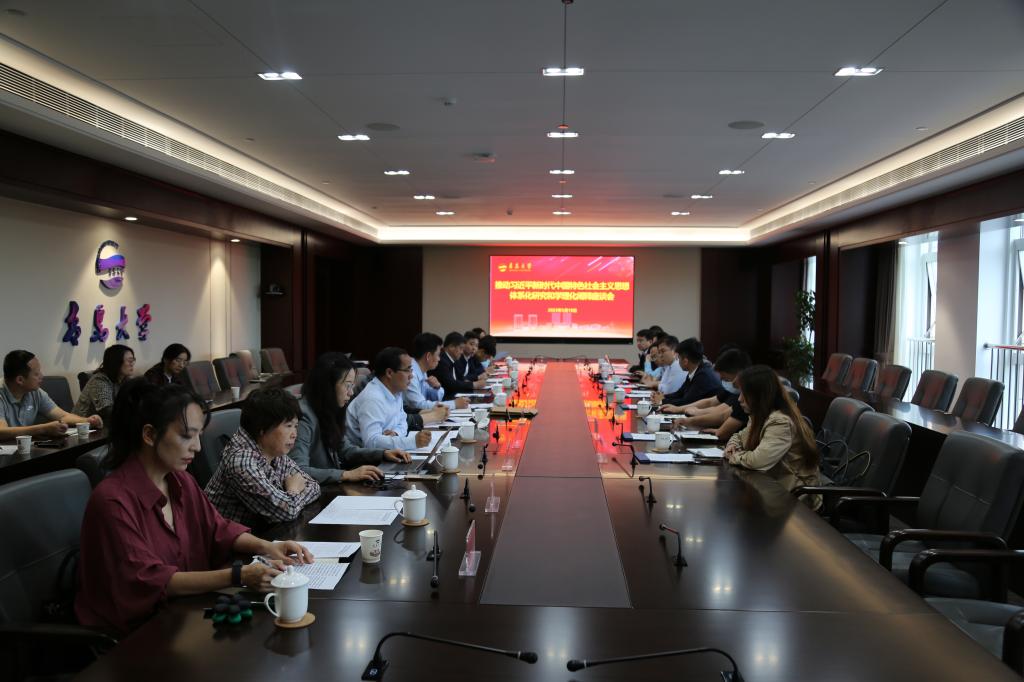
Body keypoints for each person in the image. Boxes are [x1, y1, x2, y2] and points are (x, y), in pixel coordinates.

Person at [75, 379, 313, 636]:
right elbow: (152, 581)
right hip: (139, 635)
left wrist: (267, 546)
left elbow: (218, 529)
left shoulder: (180, 480)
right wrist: (238, 575)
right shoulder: (113, 501)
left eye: (199, 435)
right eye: (187, 436)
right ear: (149, 435)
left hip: (186, 614)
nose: (198, 446)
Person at [205, 387, 321, 527]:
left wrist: (291, 499)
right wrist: (294, 490)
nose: (294, 434)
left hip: (264, 532)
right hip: (227, 539)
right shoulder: (241, 462)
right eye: (289, 426)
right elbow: (286, 512)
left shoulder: (273, 449)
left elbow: (314, 486)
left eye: (296, 426)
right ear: (262, 427)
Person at [290, 352, 411, 484]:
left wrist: (383, 454)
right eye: (347, 385)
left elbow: (345, 450)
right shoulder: (304, 416)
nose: (351, 392)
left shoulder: (330, 408)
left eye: (352, 386)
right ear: (328, 385)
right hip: (316, 490)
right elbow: (298, 471)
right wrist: (346, 475)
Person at [724, 365, 821, 509]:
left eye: (744, 394)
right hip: (774, 489)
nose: (739, 399)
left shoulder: (780, 422)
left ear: (759, 395)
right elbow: (739, 436)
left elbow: (758, 461)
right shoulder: (760, 415)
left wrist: (734, 456)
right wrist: (733, 445)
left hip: (798, 499)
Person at [0, 350, 102, 440]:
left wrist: (87, 421)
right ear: (20, 380)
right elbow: (1, 431)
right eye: (36, 374)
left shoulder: (35, 392)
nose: (42, 376)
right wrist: (43, 429)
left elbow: (62, 416)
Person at [346, 347, 432, 450]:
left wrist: (395, 433)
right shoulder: (372, 398)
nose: (411, 376)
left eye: (411, 370)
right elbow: (371, 442)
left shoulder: (396, 391)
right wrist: (412, 442)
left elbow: (402, 422)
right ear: (389, 373)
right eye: (407, 370)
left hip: (383, 453)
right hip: (359, 456)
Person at [666, 349, 750, 441]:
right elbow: (715, 406)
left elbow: (722, 420)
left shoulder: (748, 395)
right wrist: (685, 419)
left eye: (726, 379)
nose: (722, 381)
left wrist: (695, 414)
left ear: (739, 374)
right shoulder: (733, 390)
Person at [406, 333, 469, 414]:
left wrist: (437, 387)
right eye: (438, 355)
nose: (439, 359)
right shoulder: (411, 373)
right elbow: (418, 405)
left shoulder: (422, 371)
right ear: (428, 356)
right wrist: (454, 404)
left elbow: (434, 398)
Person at [74, 344, 136, 422]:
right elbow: (107, 411)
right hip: (83, 426)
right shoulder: (99, 380)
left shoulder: (125, 380)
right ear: (116, 362)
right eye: (130, 361)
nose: (132, 364)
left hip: (107, 424)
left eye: (133, 360)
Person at [662, 337, 722, 406]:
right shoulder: (696, 370)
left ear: (685, 361)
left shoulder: (703, 375)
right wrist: (664, 397)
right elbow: (680, 393)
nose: (678, 361)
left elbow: (687, 402)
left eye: (679, 358)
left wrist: (662, 401)